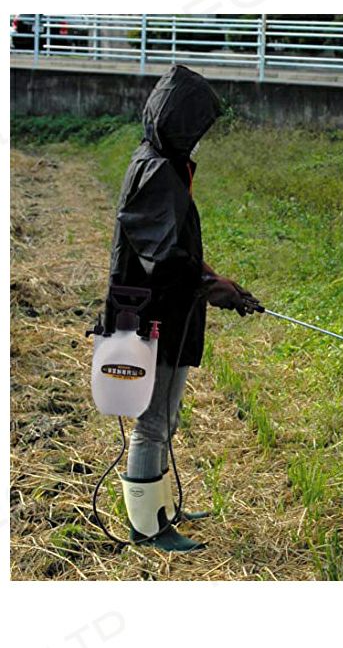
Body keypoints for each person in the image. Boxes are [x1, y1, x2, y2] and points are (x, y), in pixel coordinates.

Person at [105, 65, 260, 551]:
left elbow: (176, 247)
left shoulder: (160, 163)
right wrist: (211, 286)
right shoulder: (156, 171)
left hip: (168, 308)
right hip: (153, 312)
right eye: (196, 126)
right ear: (178, 120)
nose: (198, 138)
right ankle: (148, 527)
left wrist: (214, 278)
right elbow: (166, 258)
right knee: (152, 421)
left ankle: (161, 505)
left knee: (164, 418)